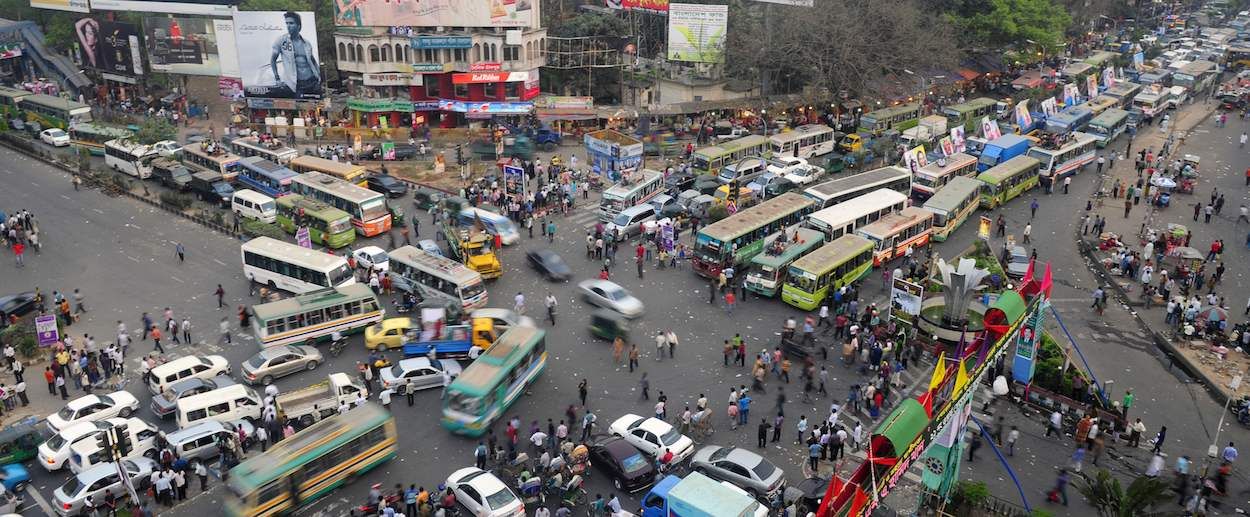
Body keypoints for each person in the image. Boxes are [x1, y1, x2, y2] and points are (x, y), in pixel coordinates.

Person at [268, 12, 322, 98]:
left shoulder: (306, 43)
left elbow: (312, 60)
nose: (288, 26)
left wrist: (319, 75)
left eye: (291, 23)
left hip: (312, 81)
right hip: (297, 84)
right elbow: (273, 60)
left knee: (316, 107)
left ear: (298, 26)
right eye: (287, 23)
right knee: (301, 106)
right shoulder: (281, 41)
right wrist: (277, 78)